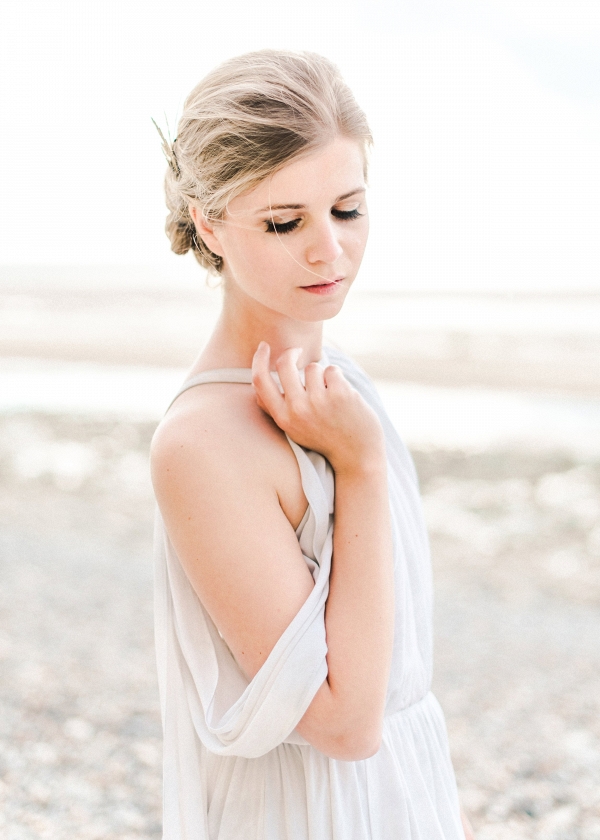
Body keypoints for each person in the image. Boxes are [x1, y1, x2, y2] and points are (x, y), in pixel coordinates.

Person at [151, 49, 474, 840]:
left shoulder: (344, 387)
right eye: (285, 222)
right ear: (209, 222)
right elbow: (342, 725)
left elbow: (398, 697)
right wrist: (359, 468)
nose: (329, 249)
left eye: (349, 209)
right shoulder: (201, 443)